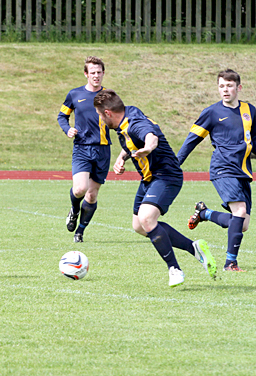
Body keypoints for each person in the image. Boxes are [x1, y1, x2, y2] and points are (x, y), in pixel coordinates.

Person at [94, 89, 217, 287]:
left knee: (147, 218)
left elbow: (150, 136)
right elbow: (130, 142)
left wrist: (148, 148)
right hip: (149, 179)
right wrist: (121, 157)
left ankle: (174, 269)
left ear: (108, 113)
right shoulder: (128, 114)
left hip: (166, 176)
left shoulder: (135, 124)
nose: (100, 119)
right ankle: (194, 248)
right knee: (140, 226)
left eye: (100, 115)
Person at [177, 69, 256, 272]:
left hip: (243, 171)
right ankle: (230, 263)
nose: (225, 90)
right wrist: (175, 164)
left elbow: (253, 143)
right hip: (223, 168)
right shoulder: (212, 112)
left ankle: (204, 213)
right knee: (239, 212)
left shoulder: (250, 111)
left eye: (229, 86)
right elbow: (191, 140)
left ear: (239, 88)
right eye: (221, 86)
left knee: (242, 223)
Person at [57, 56, 111, 243]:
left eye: (99, 72)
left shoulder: (110, 96)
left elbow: (120, 120)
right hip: (81, 148)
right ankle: (74, 209)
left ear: (103, 73)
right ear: (86, 74)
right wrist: (67, 129)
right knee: (80, 189)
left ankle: (80, 231)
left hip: (103, 150)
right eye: (93, 73)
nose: (96, 76)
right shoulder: (74, 94)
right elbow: (62, 116)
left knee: (92, 194)